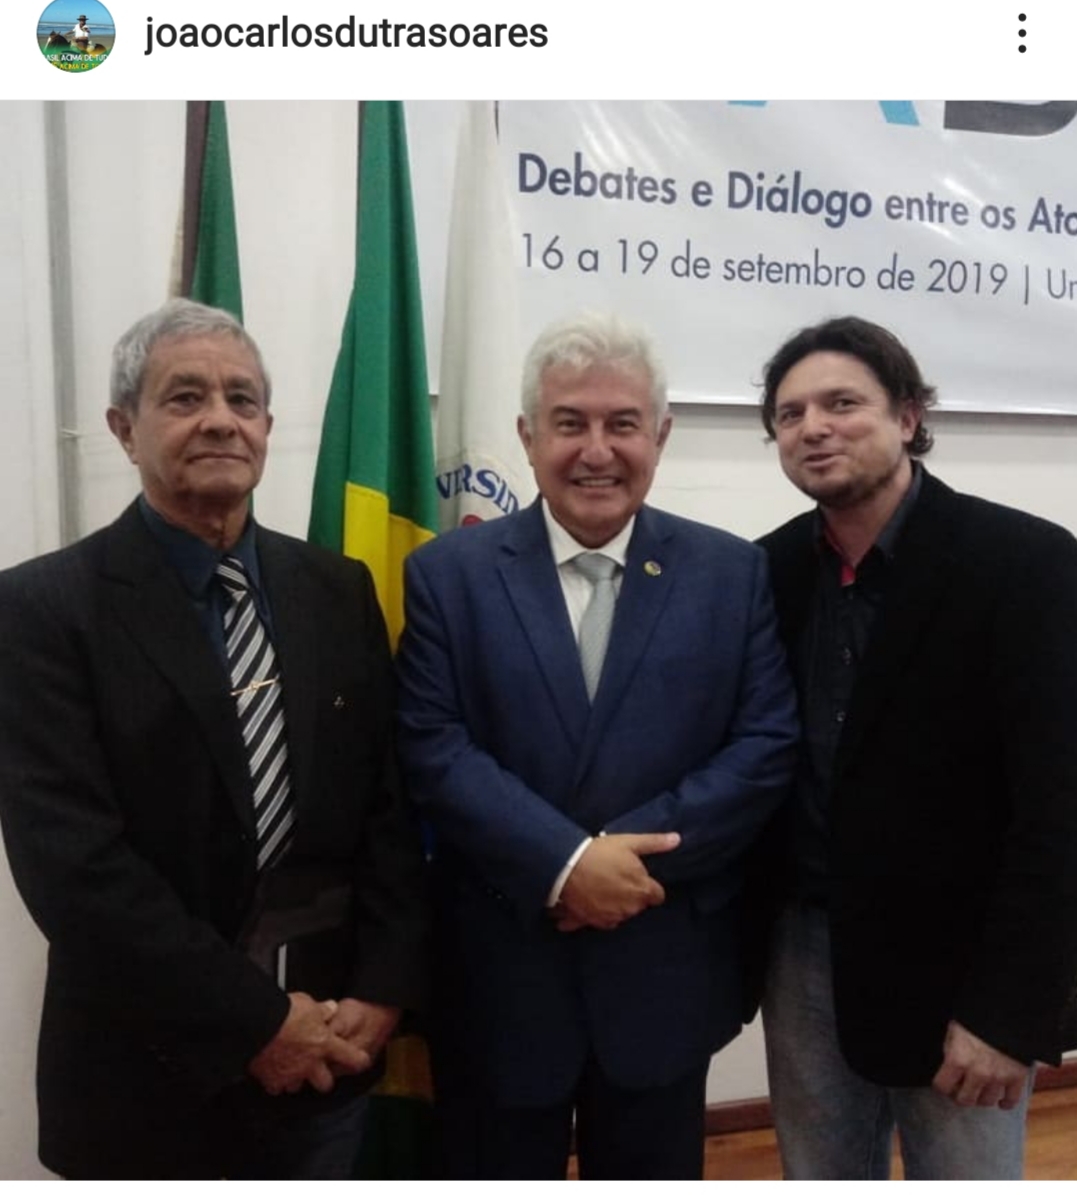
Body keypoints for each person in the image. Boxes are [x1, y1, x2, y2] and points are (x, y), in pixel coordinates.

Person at [0, 299, 427, 1179]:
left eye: (243, 398)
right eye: (185, 397)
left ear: (267, 426)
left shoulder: (337, 589)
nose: (221, 419)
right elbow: (75, 870)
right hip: (146, 1075)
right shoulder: (42, 610)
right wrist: (257, 1024)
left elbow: (388, 807)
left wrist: (383, 986)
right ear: (124, 428)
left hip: (329, 1054)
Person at [395, 312, 798, 1179]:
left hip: (659, 970)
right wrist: (567, 863)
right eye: (569, 422)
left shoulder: (730, 573)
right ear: (526, 436)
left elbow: (762, 746)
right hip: (502, 973)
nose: (596, 450)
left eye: (622, 423)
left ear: (660, 435)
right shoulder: (448, 574)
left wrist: (622, 865)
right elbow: (432, 744)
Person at [755, 314, 1077, 1179]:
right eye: (789, 413)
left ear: (906, 415)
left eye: (841, 403)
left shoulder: (1025, 564)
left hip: (960, 972)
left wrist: (1009, 1013)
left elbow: (1059, 808)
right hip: (803, 954)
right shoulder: (766, 571)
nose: (814, 427)